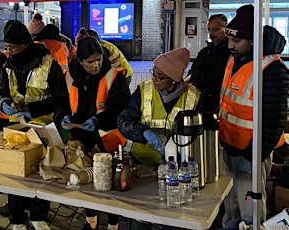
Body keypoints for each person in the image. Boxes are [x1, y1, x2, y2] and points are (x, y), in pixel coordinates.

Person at [218, 4, 289, 228]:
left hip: (251, 153)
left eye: (236, 41)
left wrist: (254, 155)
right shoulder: (235, 58)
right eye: (229, 40)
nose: (230, 45)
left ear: (253, 40)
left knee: (251, 210)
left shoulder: (272, 68)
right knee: (230, 204)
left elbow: (275, 121)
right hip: (228, 146)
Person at [0, 20, 70, 230]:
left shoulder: (49, 64)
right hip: (17, 130)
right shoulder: (7, 66)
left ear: (25, 45)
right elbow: (0, 92)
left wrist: (33, 111)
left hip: (43, 129)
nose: (9, 51)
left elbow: (60, 100)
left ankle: (38, 217)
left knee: (42, 173)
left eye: (13, 47)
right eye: (7, 47)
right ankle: (17, 219)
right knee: (15, 172)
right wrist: (4, 103)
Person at [62, 36, 130, 230]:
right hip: (81, 138)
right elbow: (61, 102)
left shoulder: (114, 76)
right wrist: (63, 116)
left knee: (109, 182)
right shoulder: (69, 76)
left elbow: (122, 109)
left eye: (99, 59)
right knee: (87, 181)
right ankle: (90, 220)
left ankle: (113, 223)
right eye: (90, 62)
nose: (96, 65)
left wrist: (98, 120)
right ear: (80, 61)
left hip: (108, 138)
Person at [117, 47, 201, 168]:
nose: (154, 79)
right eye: (154, 73)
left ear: (174, 80)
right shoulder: (143, 90)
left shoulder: (193, 97)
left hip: (178, 164)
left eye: (160, 77)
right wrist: (144, 132)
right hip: (142, 162)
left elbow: (198, 134)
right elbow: (123, 121)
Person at [186, 14, 230, 114]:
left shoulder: (230, 52)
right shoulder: (205, 52)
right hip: (200, 102)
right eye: (209, 30)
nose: (211, 34)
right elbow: (193, 71)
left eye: (215, 30)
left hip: (217, 104)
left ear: (225, 28)